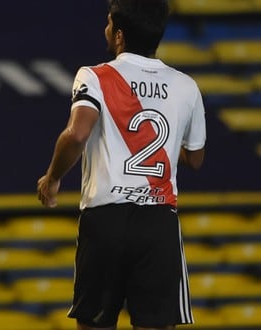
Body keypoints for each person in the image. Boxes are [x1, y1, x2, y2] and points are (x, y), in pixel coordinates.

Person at [37, 0, 206, 329]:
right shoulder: (187, 87)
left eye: (107, 23)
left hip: (104, 221)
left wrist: (52, 178)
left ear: (118, 35)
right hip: (158, 223)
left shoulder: (95, 76)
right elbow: (195, 158)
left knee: (95, 323)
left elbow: (75, 136)